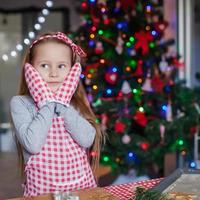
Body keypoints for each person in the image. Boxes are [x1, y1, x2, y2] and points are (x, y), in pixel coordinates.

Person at [10, 31, 104, 197]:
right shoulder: (20, 103)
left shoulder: (74, 103)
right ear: (30, 69)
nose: (53, 73)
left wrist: (62, 105)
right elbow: (33, 144)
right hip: (42, 194)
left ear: (72, 71)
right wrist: (47, 102)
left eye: (61, 66)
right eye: (44, 65)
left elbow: (87, 139)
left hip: (81, 190)